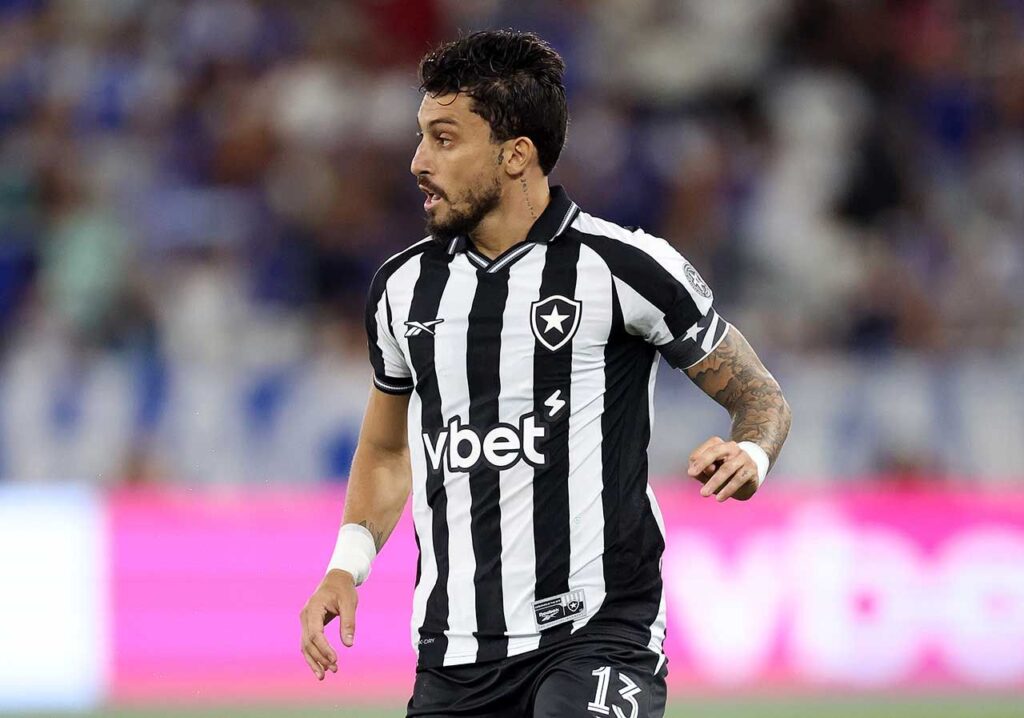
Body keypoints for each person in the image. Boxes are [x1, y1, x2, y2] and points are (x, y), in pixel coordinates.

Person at [300, 29, 791, 718]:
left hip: (597, 634)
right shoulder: (402, 289)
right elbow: (386, 450)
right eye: (421, 138)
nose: (418, 162)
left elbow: (760, 396)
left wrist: (751, 452)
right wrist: (346, 567)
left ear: (515, 155)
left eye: (444, 139)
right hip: (454, 656)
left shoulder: (625, 268)